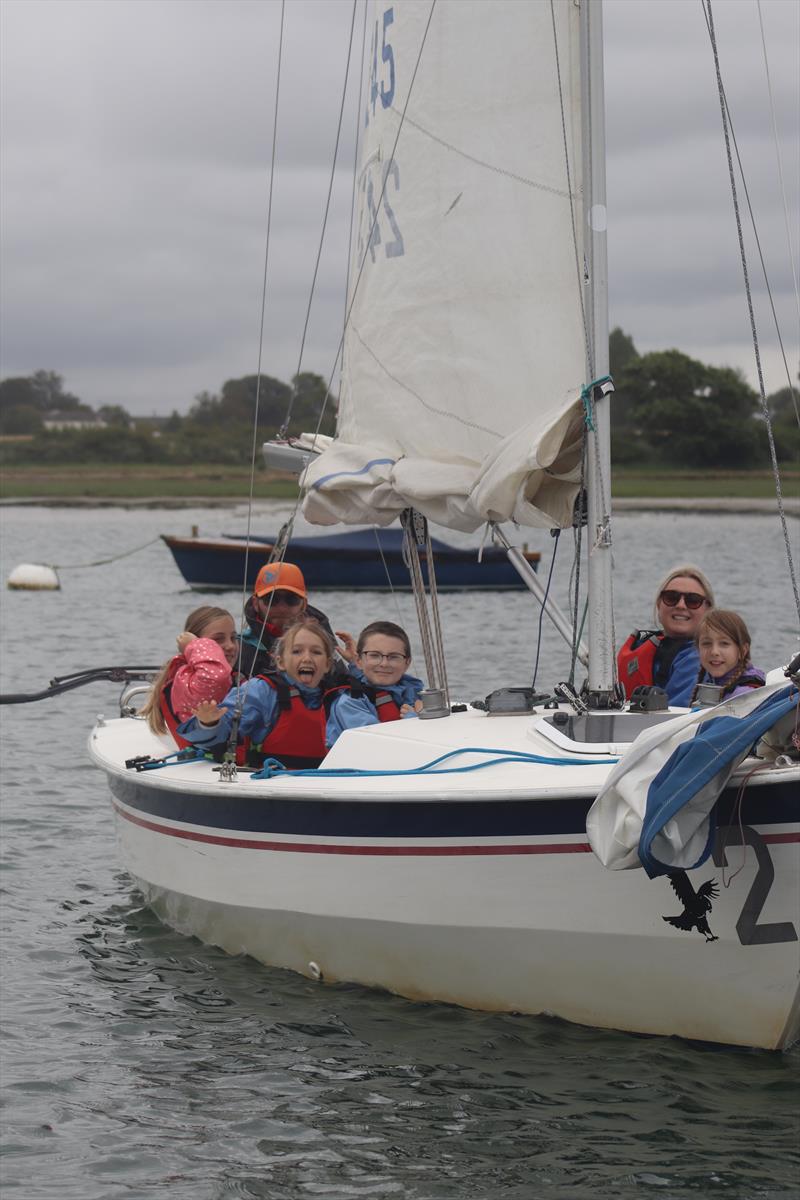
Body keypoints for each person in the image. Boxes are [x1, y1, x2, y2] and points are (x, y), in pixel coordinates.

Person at [179, 617, 343, 769]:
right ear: (280, 662)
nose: (307, 658)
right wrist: (208, 724)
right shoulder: (260, 691)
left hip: (324, 782)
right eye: (296, 651)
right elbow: (227, 730)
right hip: (270, 781)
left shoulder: (339, 698)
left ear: (328, 664)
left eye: (316, 652)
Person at [617, 564, 715, 707]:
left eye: (693, 600)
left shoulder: (700, 659)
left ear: (708, 610)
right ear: (659, 605)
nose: (681, 605)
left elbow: (676, 718)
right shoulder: (649, 647)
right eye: (671, 597)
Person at [141, 606, 238, 744]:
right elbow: (216, 677)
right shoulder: (188, 679)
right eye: (217, 640)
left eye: (234, 638)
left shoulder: (231, 673)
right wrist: (195, 645)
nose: (231, 646)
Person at [326, 620, 425, 747]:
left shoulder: (414, 692)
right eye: (374, 655)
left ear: (407, 663)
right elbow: (377, 747)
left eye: (394, 656)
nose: (384, 664)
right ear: (359, 661)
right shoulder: (349, 704)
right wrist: (414, 723)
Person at [237, 560, 334, 678]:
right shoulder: (238, 648)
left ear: (304, 604)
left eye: (291, 599)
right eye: (271, 599)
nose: (282, 608)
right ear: (256, 603)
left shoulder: (326, 643)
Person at [690, 609, 765, 704]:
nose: (714, 652)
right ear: (698, 648)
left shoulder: (743, 696)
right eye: (706, 643)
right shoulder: (710, 684)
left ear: (743, 650)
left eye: (724, 643)